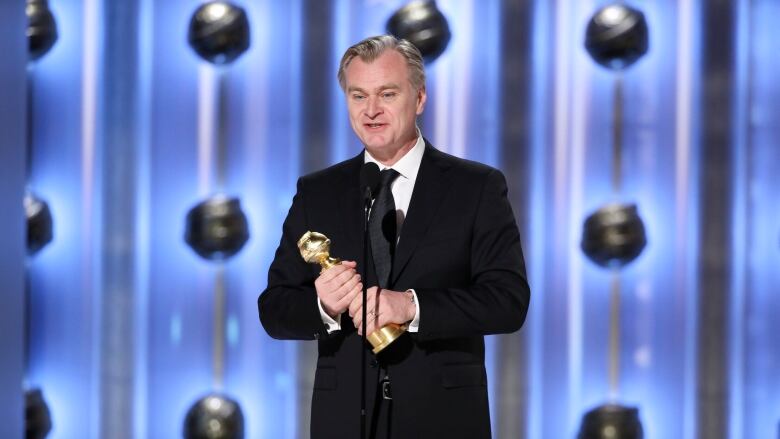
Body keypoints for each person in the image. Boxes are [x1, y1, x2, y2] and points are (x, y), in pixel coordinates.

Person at [258, 35, 530, 439]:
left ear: (419, 98)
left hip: (443, 420)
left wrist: (410, 306)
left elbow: (508, 302)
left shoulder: (476, 187)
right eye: (358, 95)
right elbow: (274, 308)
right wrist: (323, 306)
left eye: (387, 93)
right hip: (345, 421)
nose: (371, 111)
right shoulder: (318, 192)